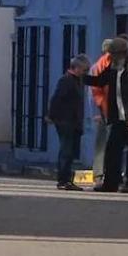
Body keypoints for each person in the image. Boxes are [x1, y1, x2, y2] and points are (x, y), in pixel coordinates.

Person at [84, 37, 128, 192]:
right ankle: (110, 183)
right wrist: (82, 77)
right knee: (113, 150)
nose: (110, 57)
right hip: (117, 116)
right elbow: (100, 81)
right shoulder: (113, 67)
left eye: (113, 54)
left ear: (122, 53)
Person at [48, 54, 91, 190]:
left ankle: (66, 179)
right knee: (66, 150)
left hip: (73, 121)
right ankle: (63, 180)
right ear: (77, 68)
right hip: (65, 120)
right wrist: (51, 115)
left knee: (70, 151)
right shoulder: (66, 81)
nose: (85, 73)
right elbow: (56, 99)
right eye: (84, 70)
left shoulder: (77, 81)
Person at [88, 39, 113, 186]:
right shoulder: (97, 67)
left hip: (113, 111)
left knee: (112, 144)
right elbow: (92, 94)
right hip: (102, 111)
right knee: (101, 144)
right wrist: (95, 112)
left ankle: (110, 173)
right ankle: (98, 174)